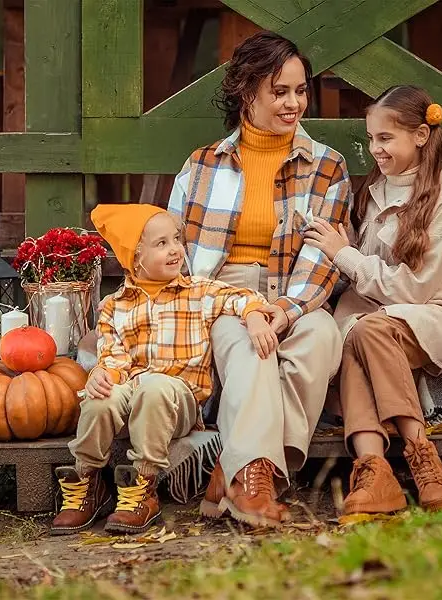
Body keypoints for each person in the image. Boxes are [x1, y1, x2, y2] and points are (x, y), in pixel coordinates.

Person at [167, 32, 351, 528]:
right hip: (220, 293)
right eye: (280, 91)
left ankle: (236, 465)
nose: (294, 103)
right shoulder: (201, 166)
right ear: (247, 93)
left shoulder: (327, 166)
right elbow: (177, 258)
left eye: (300, 90)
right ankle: (252, 482)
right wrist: (240, 307)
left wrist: (286, 309)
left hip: (294, 291)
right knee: (252, 350)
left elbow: (322, 253)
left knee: (321, 337)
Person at [50, 204, 282, 535]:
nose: (175, 249)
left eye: (176, 239)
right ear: (136, 256)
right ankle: (88, 482)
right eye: (161, 244)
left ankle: (144, 486)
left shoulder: (198, 291)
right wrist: (103, 375)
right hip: (136, 392)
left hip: (180, 399)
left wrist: (256, 317)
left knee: (155, 386)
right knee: (99, 397)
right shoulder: (115, 307)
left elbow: (243, 297)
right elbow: (114, 357)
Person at [303, 85, 442, 515]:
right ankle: (377, 469)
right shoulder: (375, 188)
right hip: (376, 314)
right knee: (358, 335)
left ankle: (419, 455)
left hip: (432, 312)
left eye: (385, 139)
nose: (375, 149)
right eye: (371, 139)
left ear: (420, 135)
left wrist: (344, 255)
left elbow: (413, 288)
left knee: (367, 330)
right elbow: (368, 271)